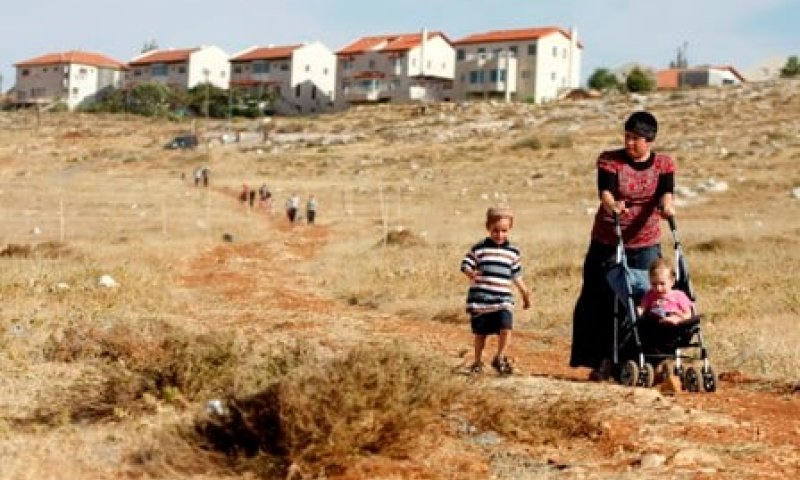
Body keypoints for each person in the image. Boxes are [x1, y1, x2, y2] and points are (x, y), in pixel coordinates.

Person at [570, 111, 676, 380]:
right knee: (601, 299)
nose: (629, 143)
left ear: (649, 140)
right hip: (608, 239)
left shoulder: (663, 164)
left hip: (646, 241)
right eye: (627, 137)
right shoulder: (610, 160)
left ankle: (648, 358)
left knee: (649, 298)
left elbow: (666, 191)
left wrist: (667, 206)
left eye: (635, 138)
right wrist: (613, 206)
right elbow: (605, 191)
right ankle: (603, 360)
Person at [461, 206, 532, 374]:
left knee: (506, 327)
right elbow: (466, 264)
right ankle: (477, 362)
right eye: (495, 231)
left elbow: (516, 275)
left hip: (502, 299)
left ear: (510, 229)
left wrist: (525, 294)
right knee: (481, 334)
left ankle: (500, 357)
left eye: (504, 231)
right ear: (488, 228)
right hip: (481, 299)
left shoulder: (513, 252)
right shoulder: (479, 248)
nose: (499, 235)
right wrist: (471, 272)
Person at [636, 258, 695, 352]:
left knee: (677, 317)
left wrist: (681, 318)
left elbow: (688, 313)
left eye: (662, 284)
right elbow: (643, 307)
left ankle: (671, 321)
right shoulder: (650, 294)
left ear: (672, 282)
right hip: (656, 323)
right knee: (649, 319)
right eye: (654, 284)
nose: (658, 288)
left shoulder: (679, 295)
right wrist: (639, 310)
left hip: (676, 322)